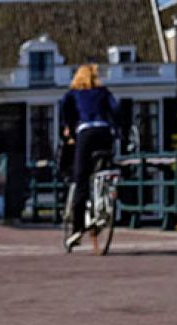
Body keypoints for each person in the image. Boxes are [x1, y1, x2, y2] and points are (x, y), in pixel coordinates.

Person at [60, 64, 120, 252]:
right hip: (104, 132)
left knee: (81, 177)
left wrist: (68, 126)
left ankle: (78, 228)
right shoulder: (103, 92)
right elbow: (116, 108)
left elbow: (63, 108)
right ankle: (105, 199)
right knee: (104, 168)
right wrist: (116, 128)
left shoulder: (74, 93)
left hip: (86, 133)